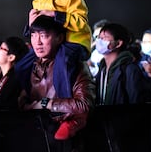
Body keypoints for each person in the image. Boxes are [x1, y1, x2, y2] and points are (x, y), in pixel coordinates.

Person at [18, 15, 95, 147]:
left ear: (59, 38)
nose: (37, 42)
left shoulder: (73, 66)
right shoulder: (31, 65)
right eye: (33, 35)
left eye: (43, 36)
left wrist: (47, 103)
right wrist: (28, 107)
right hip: (35, 137)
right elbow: (22, 99)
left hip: (65, 141)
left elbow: (84, 104)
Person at [21, 0, 92, 100]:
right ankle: (27, 99)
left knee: (62, 64)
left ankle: (63, 104)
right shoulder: (37, 3)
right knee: (22, 65)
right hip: (53, 45)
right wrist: (30, 24)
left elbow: (81, 23)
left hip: (73, 42)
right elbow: (35, 32)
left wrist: (55, 13)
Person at [94, 23, 151, 105]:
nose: (99, 41)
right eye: (99, 38)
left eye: (104, 38)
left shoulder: (130, 69)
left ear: (118, 43)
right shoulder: (102, 69)